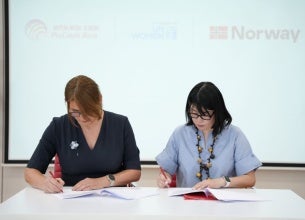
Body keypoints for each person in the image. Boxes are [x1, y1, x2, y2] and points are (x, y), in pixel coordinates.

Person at [24, 75, 141, 193]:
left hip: (113, 199)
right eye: (75, 112)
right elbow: (30, 172)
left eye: (88, 111)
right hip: (71, 200)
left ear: (99, 99)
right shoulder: (58, 126)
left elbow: (134, 172)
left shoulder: (120, 124)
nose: (83, 118)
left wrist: (103, 181)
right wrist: (46, 183)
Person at [156, 82, 262, 189]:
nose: (198, 120)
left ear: (217, 111)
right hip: (187, 203)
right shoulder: (180, 134)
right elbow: (166, 171)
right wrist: (163, 178)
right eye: (194, 113)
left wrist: (222, 181)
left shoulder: (235, 135)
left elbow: (250, 179)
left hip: (225, 204)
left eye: (204, 114)